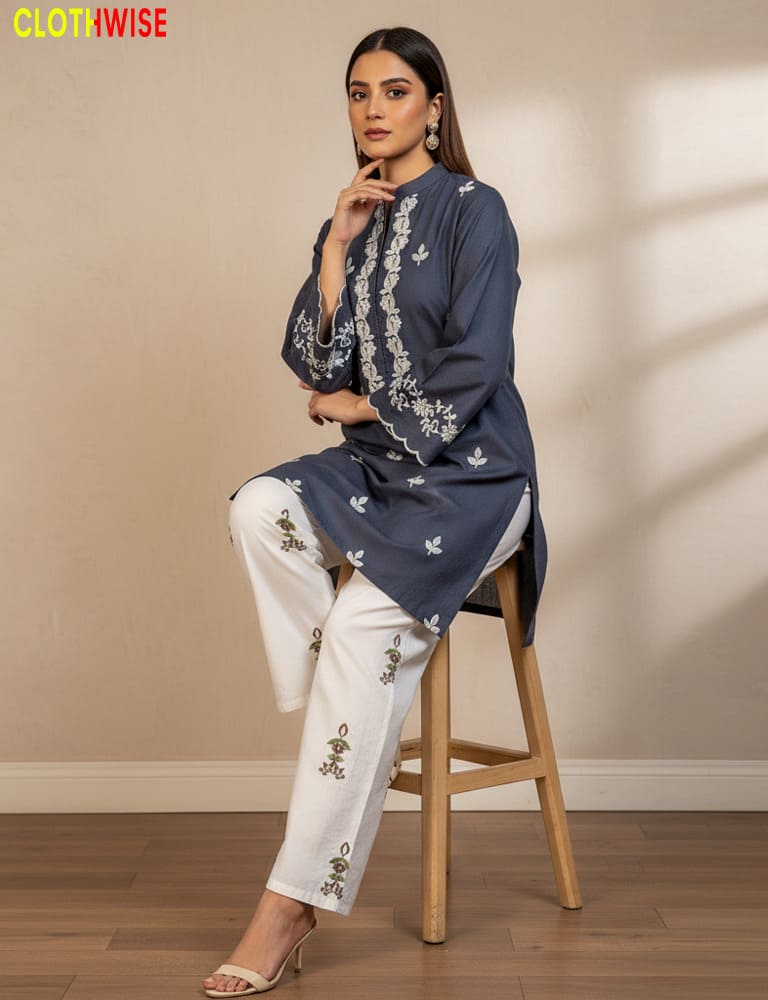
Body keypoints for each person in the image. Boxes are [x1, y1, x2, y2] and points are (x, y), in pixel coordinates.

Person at [203, 24, 548, 997]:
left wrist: (369, 404)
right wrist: (337, 250)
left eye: (395, 91)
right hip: (377, 471)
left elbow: (481, 364)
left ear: (434, 106)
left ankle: (288, 905)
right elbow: (316, 370)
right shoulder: (349, 215)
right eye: (359, 92)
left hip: (473, 475)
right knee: (261, 508)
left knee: (360, 630)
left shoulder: (478, 212)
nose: (373, 109)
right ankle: (348, 704)